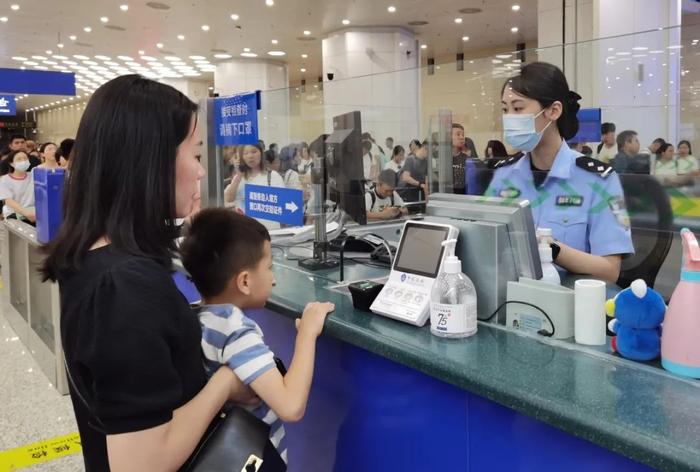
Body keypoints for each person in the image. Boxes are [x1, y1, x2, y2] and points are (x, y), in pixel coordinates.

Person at [40, 75, 263, 471]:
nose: (200, 172)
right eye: (194, 155)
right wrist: (226, 382)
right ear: (152, 160)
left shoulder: (98, 257)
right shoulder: (124, 288)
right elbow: (141, 463)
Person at [180, 208, 335, 468]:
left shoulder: (198, 315)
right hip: (254, 459)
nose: (273, 279)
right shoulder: (235, 329)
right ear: (244, 281)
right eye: (269, 267)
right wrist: (307, 334)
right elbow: (290, 406)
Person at [487, 62, 633, 284]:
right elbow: (485, 243)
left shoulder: (600, 180)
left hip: (571, 303)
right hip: (509, 300)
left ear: (553, 111)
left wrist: (551, 249)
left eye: (518, 108)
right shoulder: (504, 175)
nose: (509, 118)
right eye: (505, 109)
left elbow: (610, 270)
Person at [224, 143, 285, 230]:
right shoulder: (239, 178)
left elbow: (282, 203)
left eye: (254, 152)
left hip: (269, 229)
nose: (250, 156)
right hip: (245, 231)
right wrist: (238, 175)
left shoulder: (272, 176)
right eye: (245, 153)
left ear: (261, 153)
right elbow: (229, 199)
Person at [0, 150, 36, 223]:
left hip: (33, 213)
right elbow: (8, 201)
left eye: (25, 158)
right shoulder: (5, 179)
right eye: (19, 159)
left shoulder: (33, 176)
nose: (23, 161)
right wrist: (26, 213)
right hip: (14, 214)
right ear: (12, 163)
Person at [452, 124, 468, 194]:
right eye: (458, 134)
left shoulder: (467, 159)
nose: (462, 137)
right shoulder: (441, 159)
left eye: (463, 135)